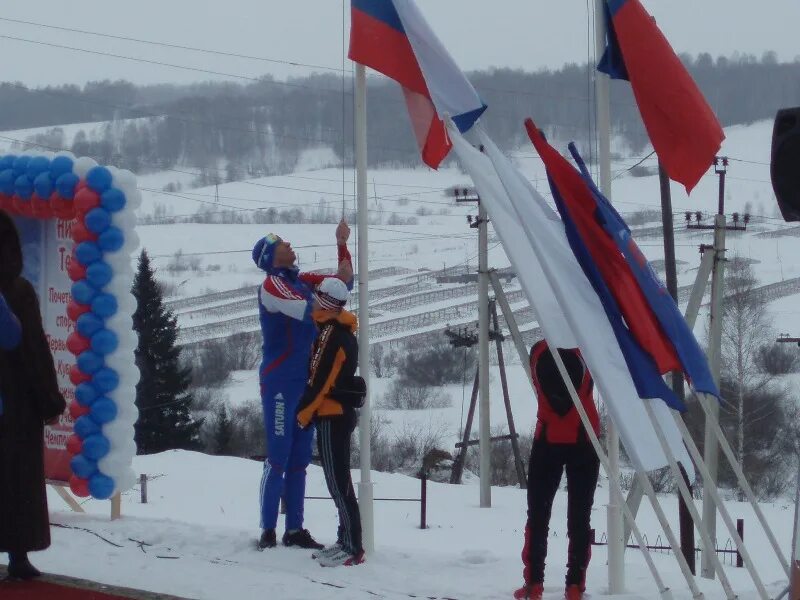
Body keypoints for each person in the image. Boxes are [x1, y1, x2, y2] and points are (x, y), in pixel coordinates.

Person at [252, 220, 353, 550]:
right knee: (278, 457)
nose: (289, 244)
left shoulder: (301, 280)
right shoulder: (272, 285)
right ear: (271, 256)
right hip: (281, 382)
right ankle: (268, 529)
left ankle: (294, 529)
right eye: (281, 243)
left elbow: (343, 283)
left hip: (307, 382)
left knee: (299, 459)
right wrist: (334, 297)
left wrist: (341, 243)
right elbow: (310, 310)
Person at [0, 210, 66, 580]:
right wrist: (49, 401)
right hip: (15, 405)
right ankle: (18, 554)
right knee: (17, 480)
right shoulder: (19, 291)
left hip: (13, 403)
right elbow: (35, 351)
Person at [514, 340, 600, 600]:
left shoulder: (539, 351)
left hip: (547, 440)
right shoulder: (587, 349)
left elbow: (539, 386)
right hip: (584, 439)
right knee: (580, 517)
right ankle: (574, 586)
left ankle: (534, 584)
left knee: (537, 516)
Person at [296, 277, 365, 567]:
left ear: (325, 302)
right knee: (338, 481)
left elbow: (321, 379)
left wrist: (303, 413)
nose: (312, 300)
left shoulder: (331, 335)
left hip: (331, 414)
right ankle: (345, 539)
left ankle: (352, 546)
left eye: (317, 296)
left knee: (338, 483)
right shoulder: (337, 332)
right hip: (335, 413)